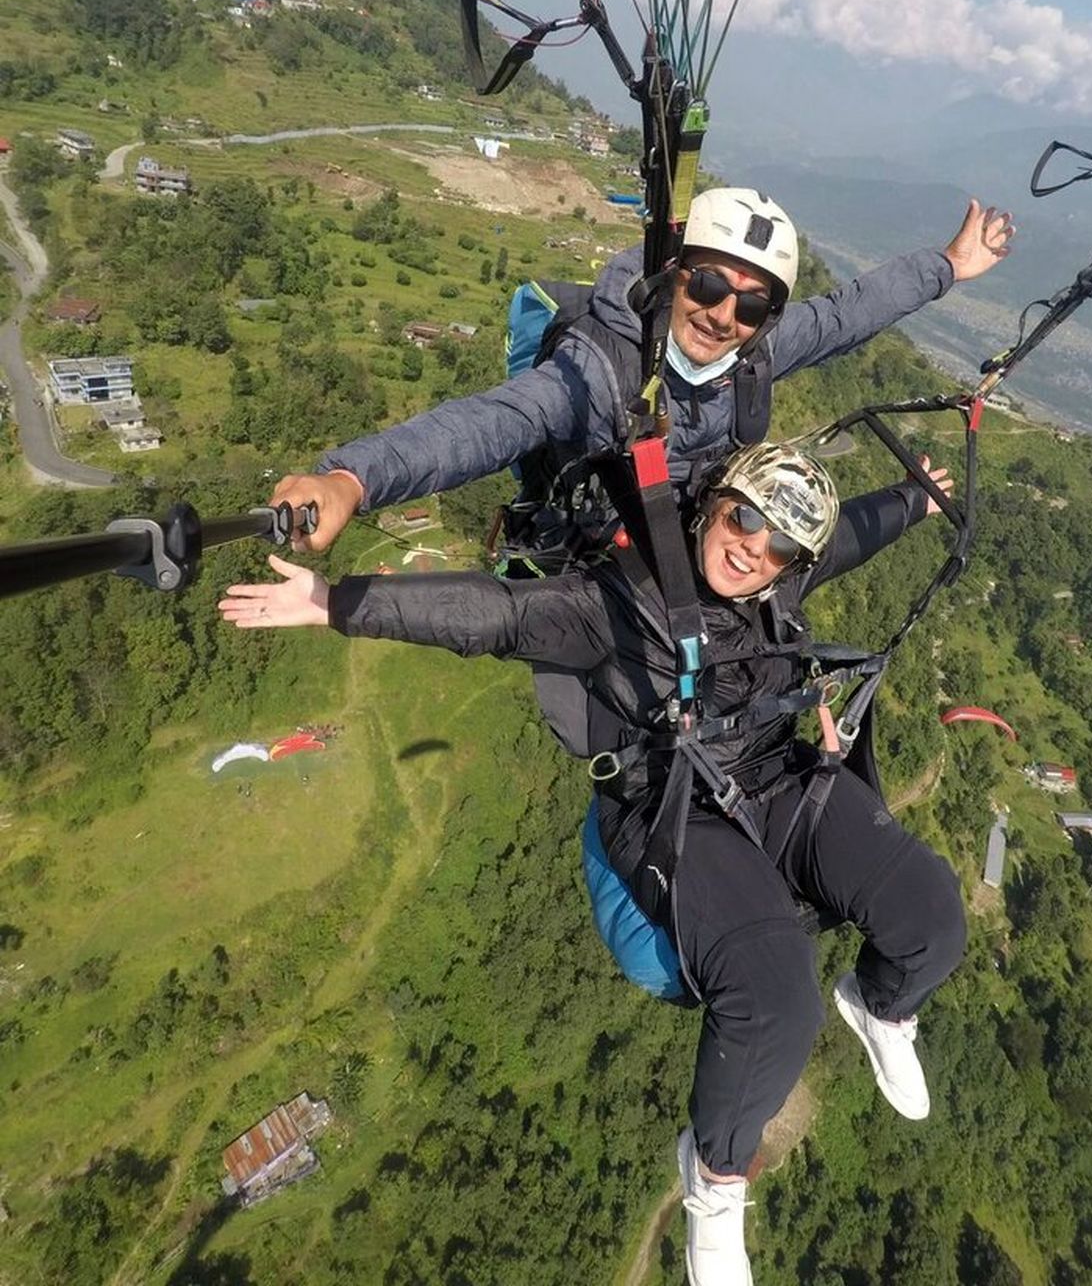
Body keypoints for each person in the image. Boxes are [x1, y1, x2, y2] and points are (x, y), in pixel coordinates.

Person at [221, 442, 966, 1286]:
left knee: (932, 916)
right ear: (710, 506)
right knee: (776, 995)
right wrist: (336, 602)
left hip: (775, 778)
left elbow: (849, 534)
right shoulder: (614, 604)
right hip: (672, 806)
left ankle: (879, 1005)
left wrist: (913, 499)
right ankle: (716, 1182)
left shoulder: (779, 578)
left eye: (779, 545)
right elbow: (492, 616)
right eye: (742, 518)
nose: (753, 548)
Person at [269, 187, 1013, 552]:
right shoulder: (596, 370)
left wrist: (946, 266)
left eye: (750, 306)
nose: (724, 315)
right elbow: (488, 425)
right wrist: (352, 479)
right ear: (672, 276)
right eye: (711, 286)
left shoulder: (753, 353)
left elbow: (849, 311)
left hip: (695, 528)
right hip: (601, 541)